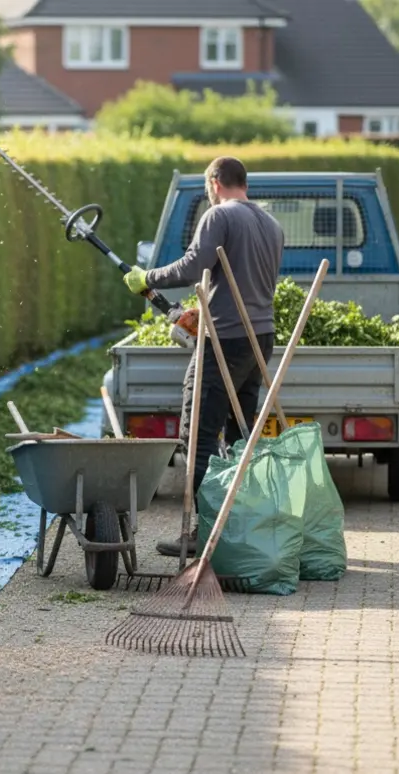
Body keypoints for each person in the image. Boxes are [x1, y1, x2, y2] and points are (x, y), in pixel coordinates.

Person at [121, 157, 285, 558]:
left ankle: (202, 531)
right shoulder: (271, 225)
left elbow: (195, 265)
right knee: (239, 436)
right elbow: (237, 281)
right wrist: (203, 308)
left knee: (196, 434)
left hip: (224, 341)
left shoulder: (219, 216)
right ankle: (240, 528)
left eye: (208, 186)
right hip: (259, 337)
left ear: (215, 182)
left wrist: (148, 278)